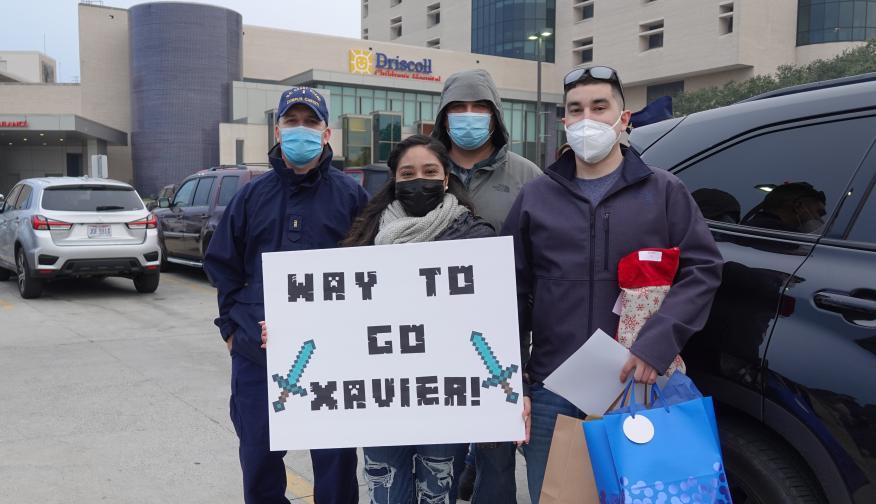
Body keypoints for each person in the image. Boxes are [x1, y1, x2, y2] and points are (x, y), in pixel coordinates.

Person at [501, 66, 724, 502]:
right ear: (564, 121)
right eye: (576, 110)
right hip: (552, 389)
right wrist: (515, 386)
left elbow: (703, 270)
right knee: (559, 495)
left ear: (624, 119)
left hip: (641, 384)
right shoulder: (536, 197)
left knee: (648, 495)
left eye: (600, 107)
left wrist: (657, 343)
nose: (588, 118)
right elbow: (509, 292)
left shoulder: (663, 192)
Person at [204, 87, 368, 504]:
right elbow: (224, 267)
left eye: (310, 122)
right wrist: (231, 331)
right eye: (291, 122)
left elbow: (373, 273)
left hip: (334, 358)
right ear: (277, 131)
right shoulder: (251, 196)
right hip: (260, 356)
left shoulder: (351, 197)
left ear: (327, 133)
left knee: (335, 463)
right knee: (259, 457)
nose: (301, 130)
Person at [431, 68, 541, 504]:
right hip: (433, 336)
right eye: (458, 108)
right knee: (440, 450)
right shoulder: (425, 168)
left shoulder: (528, 177)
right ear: (443, 116)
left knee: (497, 453)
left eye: (480, 107)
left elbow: (543, 255)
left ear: (496, 115)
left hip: (503, 335)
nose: (469, 116)